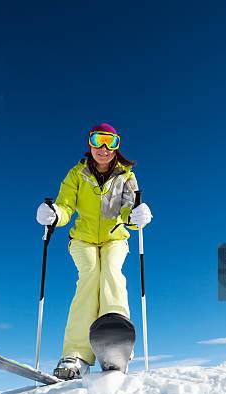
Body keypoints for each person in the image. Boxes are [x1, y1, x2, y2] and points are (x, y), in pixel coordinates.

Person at [35, 123, 152, 380]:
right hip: (83, 239)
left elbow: (128, 208)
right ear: (90, 143)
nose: (104, 148)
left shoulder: (126, 176)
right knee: (89, 276)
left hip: (114, 238)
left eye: (110, 142)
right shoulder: (77, 174)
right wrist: (54, 214)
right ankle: (76, 355)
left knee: (111, 272)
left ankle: (116, 343)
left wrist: (137, 216)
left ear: (117, 146)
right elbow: (65, 205)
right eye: (98, 140)